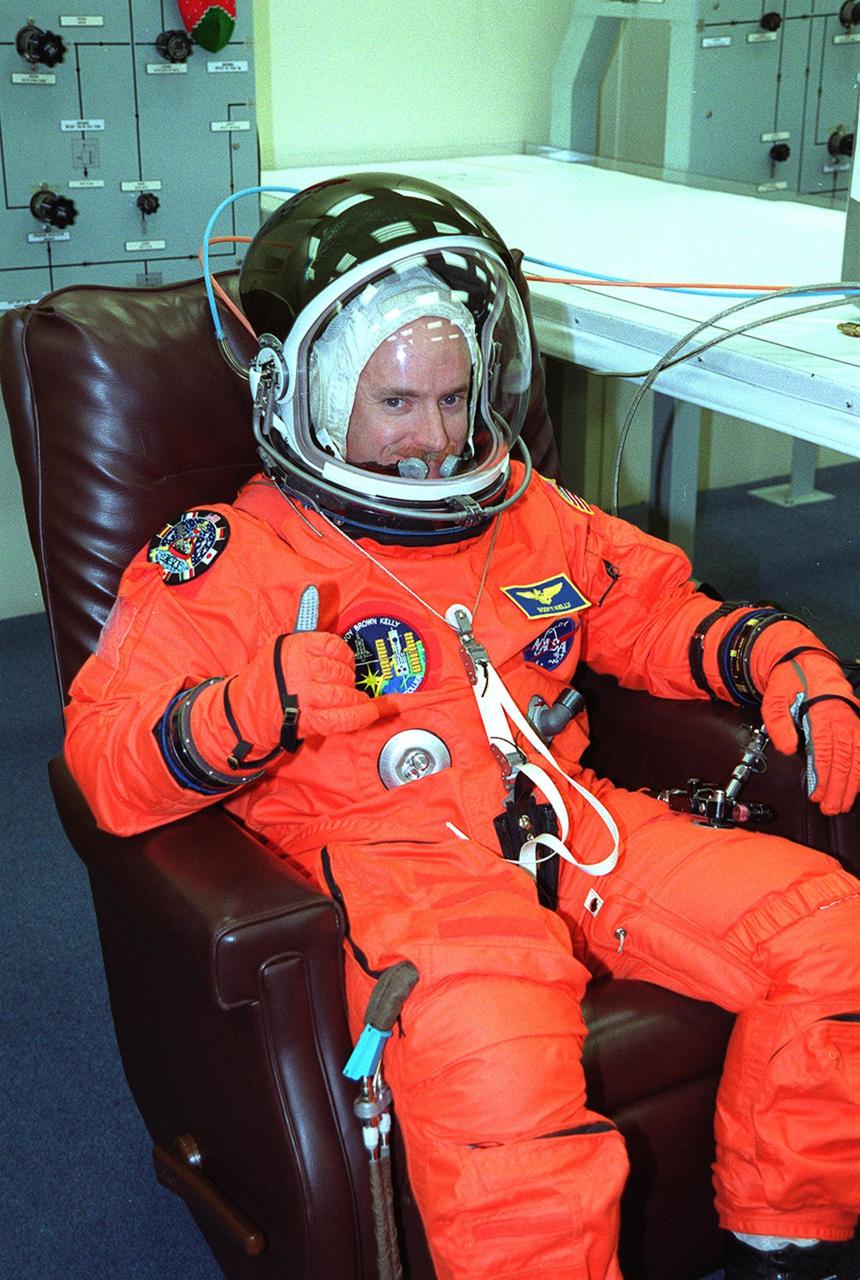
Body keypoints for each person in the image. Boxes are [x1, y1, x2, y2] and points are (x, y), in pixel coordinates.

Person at [63, 173, 860, 1280]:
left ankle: (787, 1240)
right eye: (395, 404)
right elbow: (102, 766)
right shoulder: (229, 557)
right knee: (499, 1067)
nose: (435, 440)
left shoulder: (526, 511)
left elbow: (651, 609)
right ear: (301, 394)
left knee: (825, 929)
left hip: (573, 823)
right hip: (394, 870)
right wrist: (257, 705)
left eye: (453, 397)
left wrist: (775, 652)